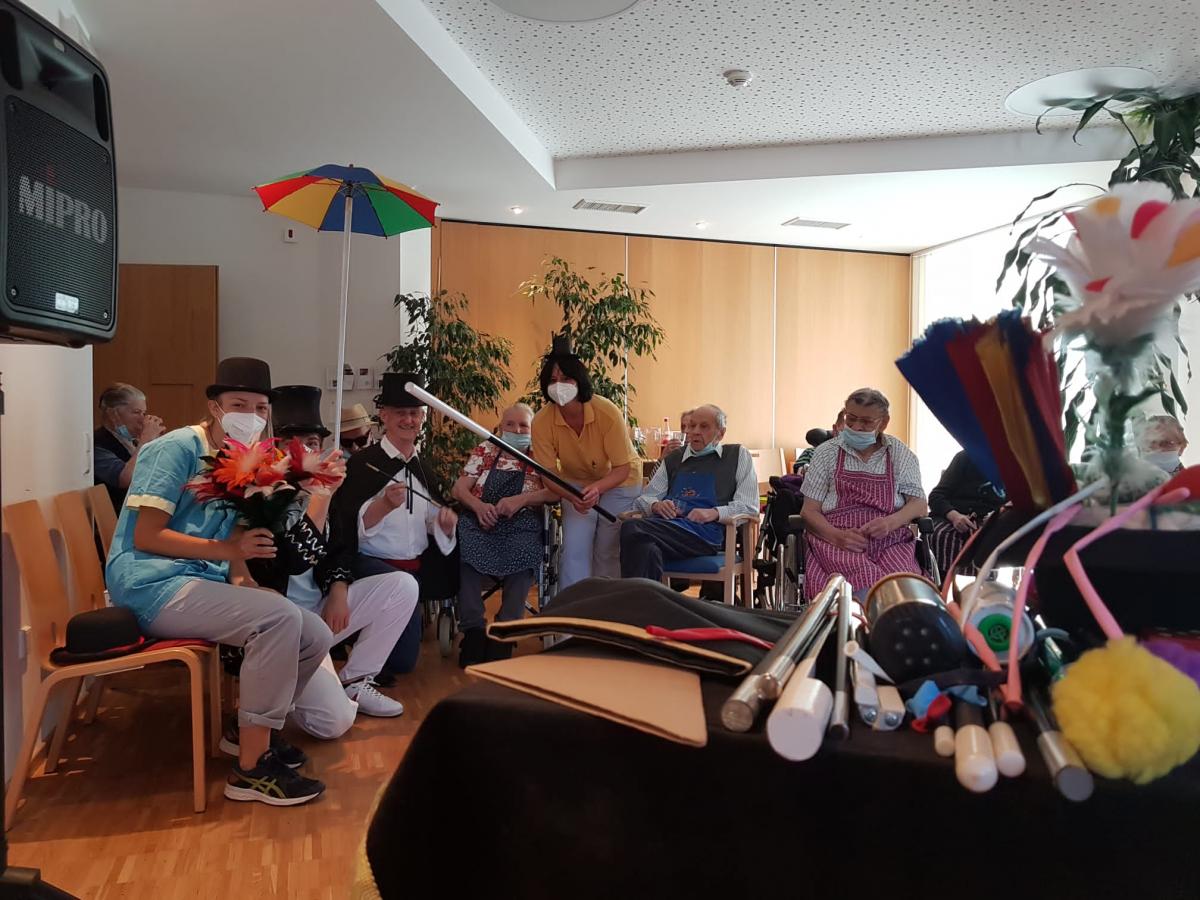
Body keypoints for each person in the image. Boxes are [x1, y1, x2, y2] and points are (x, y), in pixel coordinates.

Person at [105, 357, 332, 806]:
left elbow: (233, 530)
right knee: (278, 619)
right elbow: (147, 536)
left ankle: (251, 730)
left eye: (261, 408)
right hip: (152, 582)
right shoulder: (175, 449)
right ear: (214, 406)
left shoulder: (244, 458)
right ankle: (251, 770)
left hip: (200, 578)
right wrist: (231, 553)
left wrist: (243, 577)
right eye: (239, 404)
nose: (251, 415)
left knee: (316, 635)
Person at [244, 385, 414, 738]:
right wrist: (319, 500)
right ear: (277, 447)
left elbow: (341, 548)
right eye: (295, 443)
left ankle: (356, 680)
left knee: (401, 585)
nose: (306, 451)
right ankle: (288, 695)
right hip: (284, 622)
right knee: (333, 723)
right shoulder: (262, 493)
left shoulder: (326, 488)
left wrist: (338, 589)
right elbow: (289, 562)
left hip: (320, 610)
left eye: (312, 442)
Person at [331, 372, 458, 683]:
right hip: (370, 566)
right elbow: (346, 526)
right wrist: (383, 506)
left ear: (422, 418)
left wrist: (443, 524)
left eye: (414, 413)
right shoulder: (362, 464)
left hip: (415, 569)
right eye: (401, 413)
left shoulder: (423, 467)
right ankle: (357, 660)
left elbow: (430, 519)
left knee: (403, 663)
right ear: (384, 416)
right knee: (393, 662)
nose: (408, 420)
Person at [531, 336, 641, 588]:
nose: (559, 386)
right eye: (552, 380)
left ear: (579, 380)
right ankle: (575, 610)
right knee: (574, 548)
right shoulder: (541, 421)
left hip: (620, 482)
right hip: (574, 484)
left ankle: (606, 607)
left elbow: (622, 468)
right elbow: (548, 474)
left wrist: (597, 489)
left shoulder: (606, 412)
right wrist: (573, 496)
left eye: (566, 379)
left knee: (607, 548)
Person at [451, 403, 556, 667]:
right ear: (500, 426)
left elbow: (555, 492)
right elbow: (459, 489)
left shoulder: (541, 454)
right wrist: (478, 506)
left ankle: (506, 630)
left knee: (525, 553)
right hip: (480, 521)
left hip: (521, 524)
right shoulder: (486, 450)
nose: (517, 430)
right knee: (465, 552)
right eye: (510, 424)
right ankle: (473, 630)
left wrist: (522, 500)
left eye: (523, 425)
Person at [800, 388, 927, 598]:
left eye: (867, 422)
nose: (857, 427)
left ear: (883, 423)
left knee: (901, 587)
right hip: (837, 539)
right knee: (864, 584)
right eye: (851, 419)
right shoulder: (826, 453)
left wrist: (890, 523)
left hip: (890, 539)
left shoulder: (900, 454)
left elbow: (919, 504)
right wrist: (838, 537)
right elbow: (809, 511)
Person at [621, 404, 759, 583]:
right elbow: (644, 499)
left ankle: (638, 599)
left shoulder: (736, 455)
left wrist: (714, 513)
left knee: (633, 528)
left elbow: (750, 507)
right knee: (645, 549)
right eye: (692, 426)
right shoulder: (673, 459)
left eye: (704, 426)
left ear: (721, 433)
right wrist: (656, 505)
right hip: (667, 530)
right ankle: (651, 600)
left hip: (704, 535)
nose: (694, 431)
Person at [927, 449, 1005, 576]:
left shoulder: (1012, 466)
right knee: (943, 536)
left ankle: (985, 586)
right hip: (951, 516)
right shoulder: (964, 457)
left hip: (990, 522)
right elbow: (936, 496)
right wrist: (955, 516)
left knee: (992, 540)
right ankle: (942, 584)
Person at [94, 383, 165, 510]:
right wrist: (145, 441)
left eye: (144, 413)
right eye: (136, 412)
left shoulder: (132, 441)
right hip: (116, 513)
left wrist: (156, 444)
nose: (142, 419)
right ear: (113, 414)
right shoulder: (98, 443)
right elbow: (125, 479)